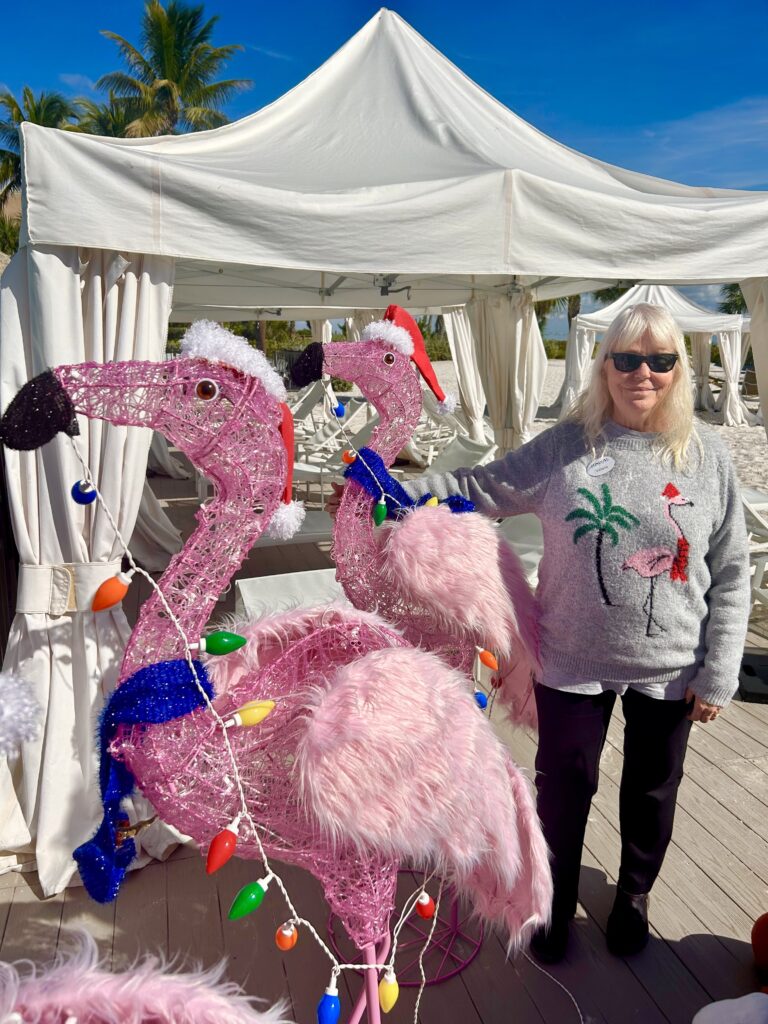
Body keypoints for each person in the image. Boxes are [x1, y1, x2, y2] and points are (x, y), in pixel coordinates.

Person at [329, 302, 751, 962]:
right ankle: (552, 900)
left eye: (660, 360)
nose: (642, 373)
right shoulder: (566, 446)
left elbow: (731, 569)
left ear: (679, 370)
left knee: (651, 789)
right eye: (626, 359)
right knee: (563, 788)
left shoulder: (707, 457)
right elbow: (479, 484)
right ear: (604, 367)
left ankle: (634, 894)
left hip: (672, 663)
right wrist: (384, 490)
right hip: (571, 657)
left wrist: (719, 670)